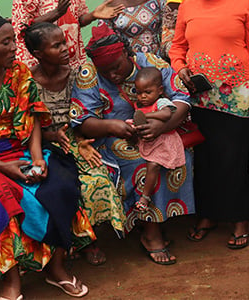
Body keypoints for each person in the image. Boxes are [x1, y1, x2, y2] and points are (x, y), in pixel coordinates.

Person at [0, 10, 93, 300]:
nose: (15, 47)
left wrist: (37, 158)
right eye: (6, 42)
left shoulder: (19, 73)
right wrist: (4, 167)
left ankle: (56, 268)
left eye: (14, 40)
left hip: (25, 148)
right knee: (3, 201)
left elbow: (33, 118)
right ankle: (11, 281)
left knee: (60, 186)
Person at [169, 0, 249, 250]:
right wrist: (182, 69)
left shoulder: (244, 4)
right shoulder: (188, 7)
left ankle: (240, 218)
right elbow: (177, 48)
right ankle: (208, 215)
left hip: (239, 97)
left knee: (235, 158)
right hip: (201, 97)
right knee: (206, 158)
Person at [71, 23, 194, 265]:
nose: (113, 75)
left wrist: (162, 127)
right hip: (111, 138)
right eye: (105, 71)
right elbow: (82, 120)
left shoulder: (150, 63)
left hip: (159, 131)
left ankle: (158, 218)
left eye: (116, 67)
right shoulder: (89, 74)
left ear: (127, 54)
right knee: (139, 162)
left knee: (179, 155)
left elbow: (182, 99)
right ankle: (151, 232)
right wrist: (111, 126)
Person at [24, 21, 125, 266]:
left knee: (96, 177)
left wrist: (81, 140)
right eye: (56, 45)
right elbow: (27, 123)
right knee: (61, 183)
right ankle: (73, 240)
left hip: (77, 139)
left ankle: (89, 239)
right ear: (38, 53)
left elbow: (85, 114)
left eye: (64, 42)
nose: (64, 48)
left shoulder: (77, 74)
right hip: (42, 144)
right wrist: (49, 136)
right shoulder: (26, 80)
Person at [131, 67, 186, 212]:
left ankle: (145, 197)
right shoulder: (140, 106)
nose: (142, 96)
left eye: (147, 92)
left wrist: (145, 115)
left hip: (164, 142)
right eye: (139, 93)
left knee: (153, 164)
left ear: (160, 90)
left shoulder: (161, 102)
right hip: (149, 141)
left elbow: (166, 114)